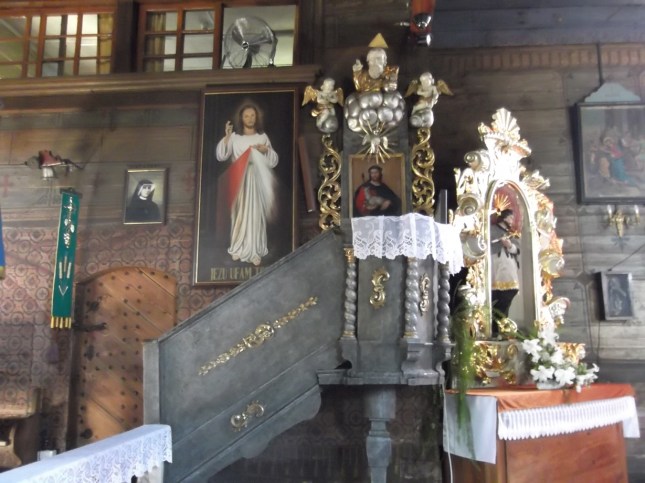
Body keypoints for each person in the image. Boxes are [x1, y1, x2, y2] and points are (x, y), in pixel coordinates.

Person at [216, 102, 278, 266]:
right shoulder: (235, 138)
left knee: (256, 213)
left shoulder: (262, 137)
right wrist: (227, 136)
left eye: (252, 115)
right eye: (246, 116)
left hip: (256, 178)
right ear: (241, 119)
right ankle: (238, 247)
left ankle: (255, 249)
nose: (250, 118)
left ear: (256, 117)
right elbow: (221, 155)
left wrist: (266, 150)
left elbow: (273, 161)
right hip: (239, 179)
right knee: (240, 213)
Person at [490, 209, 520, 332]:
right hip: (497, 265)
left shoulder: (510, 233)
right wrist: (498, 242)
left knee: (510, 292)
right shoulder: (492, 230)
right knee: (497, 296)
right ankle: (496, 326)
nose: (512, 221)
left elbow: (516, 249)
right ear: (504, 217)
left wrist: (509, 245)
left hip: (508, 267)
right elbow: (488, 244)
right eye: (510, 218)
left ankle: (502, 324)